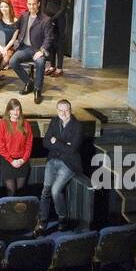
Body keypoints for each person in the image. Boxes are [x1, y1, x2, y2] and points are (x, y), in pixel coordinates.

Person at [39, 98, 89, 230]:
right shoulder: (54, 121)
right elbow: (45, 143)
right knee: (45, 190)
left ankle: (62, 218)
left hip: (69, 163)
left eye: (66, 110)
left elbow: (72, 149)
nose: (64, 113)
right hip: (53, 160)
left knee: (55, 190)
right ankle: (43, 219)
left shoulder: (77, 126)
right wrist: (64, 144)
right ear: (57, 111)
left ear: (70, 110)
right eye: (61, 110)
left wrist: (56, 142)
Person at [10, 0, 55, 104]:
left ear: (38, 4)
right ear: (27, 4)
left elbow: (49, 38)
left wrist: (42, 51)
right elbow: (15, 26)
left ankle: (37, 89)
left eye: (34, 4)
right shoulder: (24, 15)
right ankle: (29, 82)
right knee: (12, 61)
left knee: (40, 63)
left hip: (38, 49)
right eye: (29, 4)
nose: (31, 6)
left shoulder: (46, 19)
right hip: (24, 48)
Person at [0, 97, 34, 195]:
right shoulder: (2, 124)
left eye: (18, 109)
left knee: (21, 190)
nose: (16, 112)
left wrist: (23, 159)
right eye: (13, 109)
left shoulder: (26, 124)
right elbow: (1, 146)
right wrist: (11, 160)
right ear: (8, 111)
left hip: (22, 161)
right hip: (8, 161)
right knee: (11, 191)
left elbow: (29, 144)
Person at [42, 0, 72, 76]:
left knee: (59, 44)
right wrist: (46, 18)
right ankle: (52, 66)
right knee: (51, 43)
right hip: (49, 21)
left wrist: (52, 19)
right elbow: (43, 4)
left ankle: (59, 68)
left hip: (59, 21)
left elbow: (62, 10)